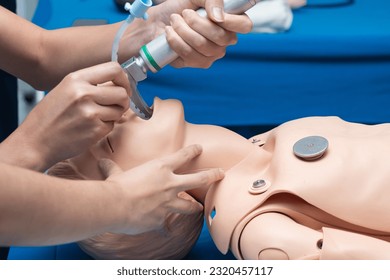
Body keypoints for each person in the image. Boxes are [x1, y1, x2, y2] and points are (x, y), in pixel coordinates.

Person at [0, 0, 252, 248]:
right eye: (110, 141)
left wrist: (149, 29)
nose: (119, 112)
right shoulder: (256, 218)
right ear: (170, 201)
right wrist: (120, 202)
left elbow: (38, 54)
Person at [47, 97, 390, 260]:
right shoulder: (258, 232)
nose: (115, 117)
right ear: (159, 200)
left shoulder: (260, 148)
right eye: (109, 142)